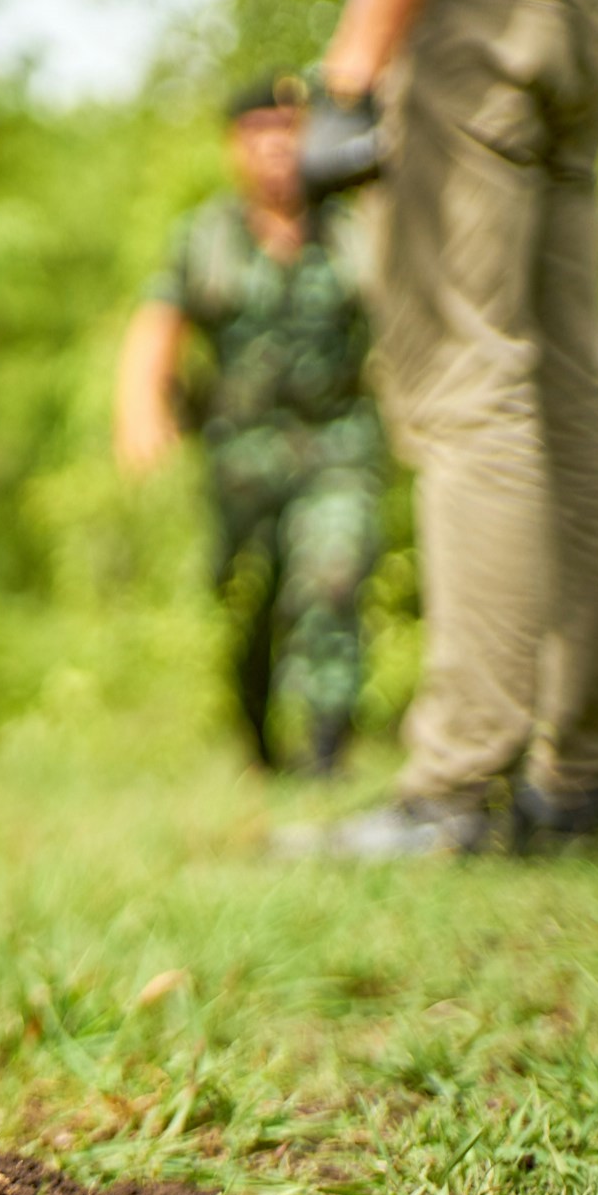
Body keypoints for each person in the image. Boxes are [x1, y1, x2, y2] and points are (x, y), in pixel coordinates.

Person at [292, 0, 598, 855]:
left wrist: (351, 76)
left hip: (477, 7)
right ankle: (588, 780)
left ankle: (457, 786)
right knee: (577, 397)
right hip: (577, 7)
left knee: (465, 385)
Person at [114, 77, 382, 778]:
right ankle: (259, 740)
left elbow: (403, 316)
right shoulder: (208, 235)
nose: (275, 148)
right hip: (242, 454)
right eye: (259, 132)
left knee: (332, 577)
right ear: (235, 146)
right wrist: (141, 408)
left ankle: (328, 753)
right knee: (249, 601)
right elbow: (159, 321)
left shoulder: (352, 231)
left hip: (336, 442)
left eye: (290, 130)